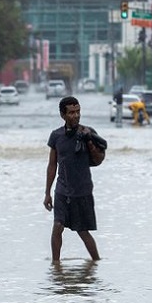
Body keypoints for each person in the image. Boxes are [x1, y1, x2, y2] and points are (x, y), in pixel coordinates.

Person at [43, 96, 107, 263]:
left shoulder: (88, 132)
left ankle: (96, 263)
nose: (76, 115)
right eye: (71, 112)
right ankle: (55, 266)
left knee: (83, 231)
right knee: (58, 226)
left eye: (78, 111)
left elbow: (99, 160)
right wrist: (47, 193)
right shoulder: (56, 136)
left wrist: (89, 142)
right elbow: (52, 165)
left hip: (83, 190)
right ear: (63, 115)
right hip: (62, 190)